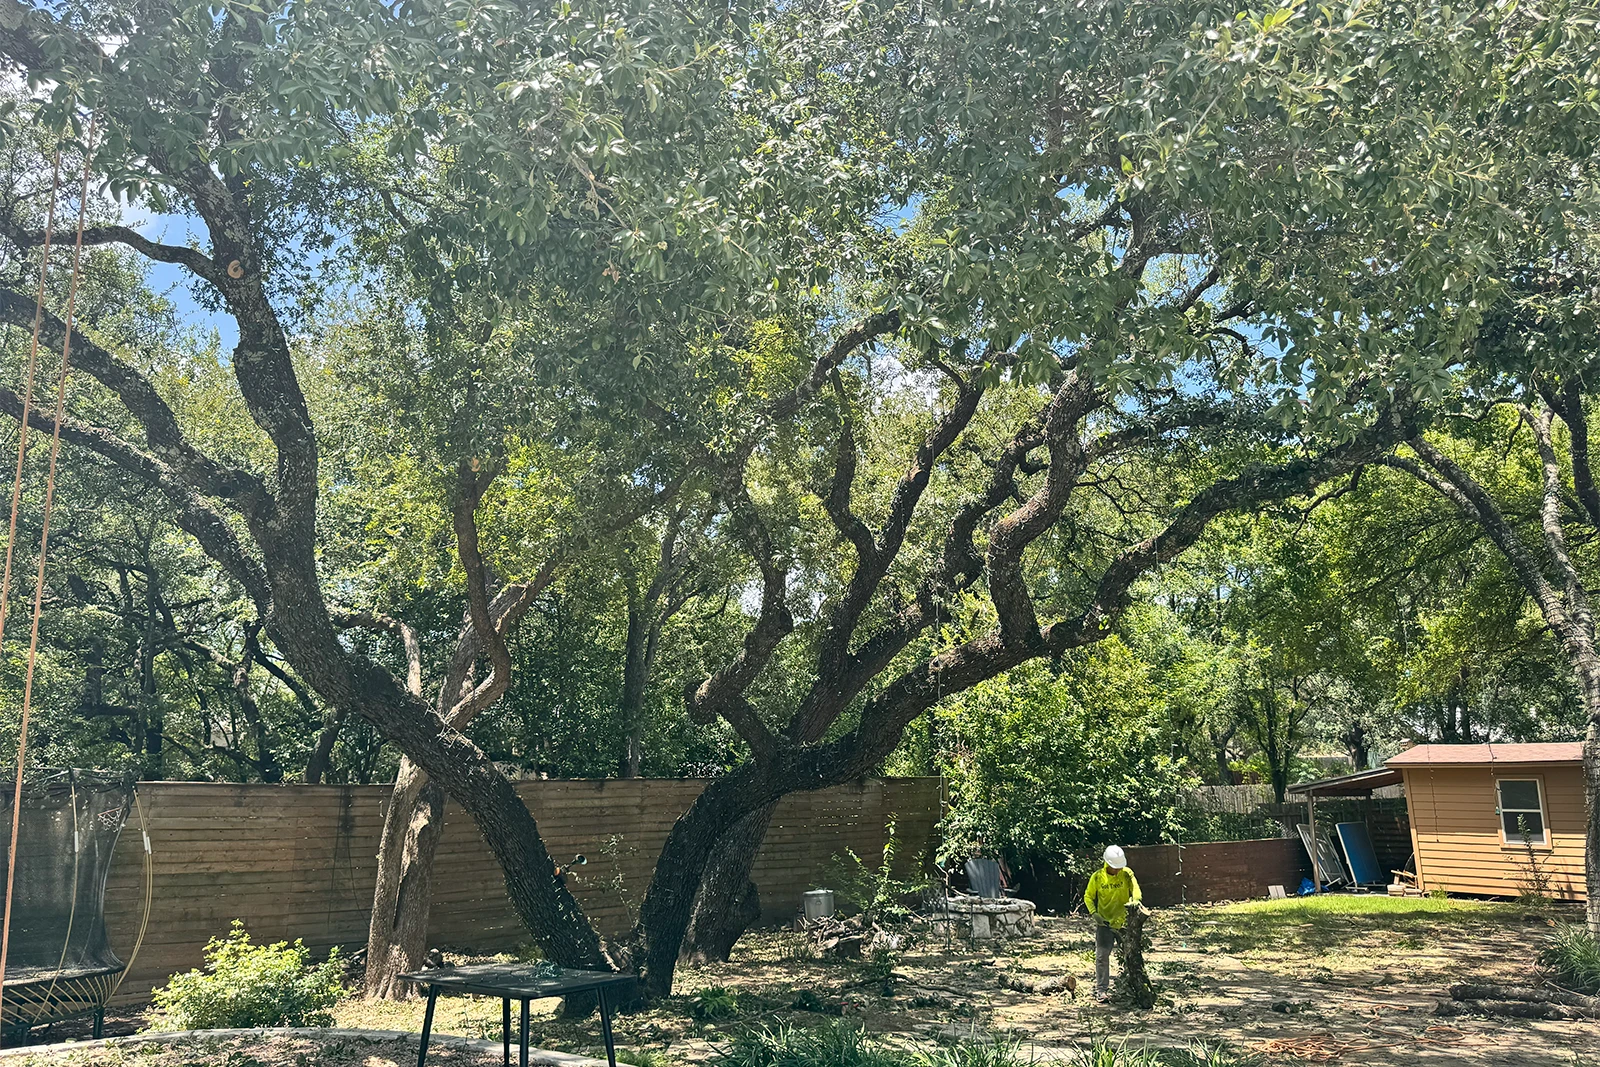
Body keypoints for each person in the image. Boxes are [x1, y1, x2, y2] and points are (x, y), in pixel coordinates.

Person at [1083, 845, 1142, 1002]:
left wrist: (1136, 901)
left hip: (1124, 923)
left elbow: (1136, 889)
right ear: (1107, 863)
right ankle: (1101, 990)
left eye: (1119, 867)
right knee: (1102, 956)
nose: (1117, 870)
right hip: (1105, 924)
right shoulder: (1097, 878)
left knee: (1131, 956)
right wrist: (1094, 914)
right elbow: (1088, 896)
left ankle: (1133, 987)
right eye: (1115, 867)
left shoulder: (1127, 874)